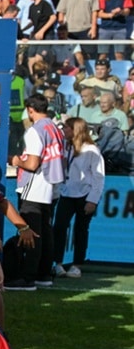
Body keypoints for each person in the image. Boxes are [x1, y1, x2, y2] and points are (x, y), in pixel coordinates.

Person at [7, 94, 66, 290]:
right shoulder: (56, 128)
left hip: (36, 184)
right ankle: (44, 274)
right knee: (46, 231)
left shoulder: (35, 130)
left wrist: (16, 161)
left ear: (30, 110)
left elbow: (32, 164)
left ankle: (27, 277)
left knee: (31, 232)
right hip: (52, 183)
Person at [52, 116, 105, 278]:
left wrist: (92, 200)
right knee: (59, 227)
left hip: (84, 195)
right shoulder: (66, 147)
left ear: (76, 130)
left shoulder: (91, 150)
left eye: (67, 128)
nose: (64, 131)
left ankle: (77, 264)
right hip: (67, 193)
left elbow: (98, 177)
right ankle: (58, 263)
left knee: (81, 230)